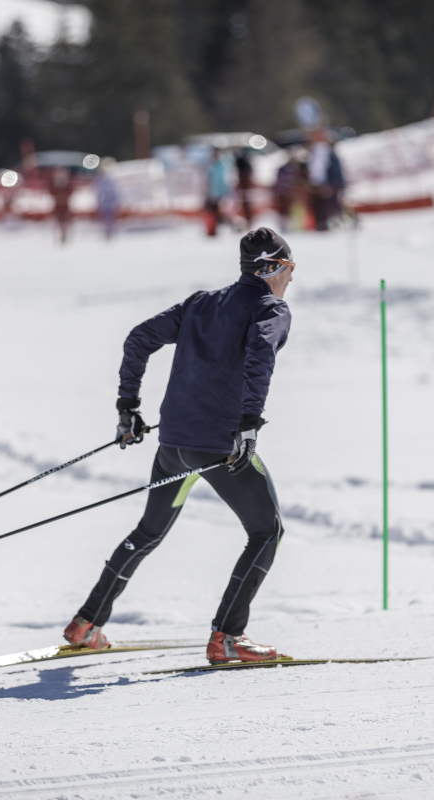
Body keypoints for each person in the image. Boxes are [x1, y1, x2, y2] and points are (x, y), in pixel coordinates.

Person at [64, 228, 295, 664]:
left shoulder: (200, 304)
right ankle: (227, 637)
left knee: (148, 531)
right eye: (290, 268)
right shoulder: (271, 308)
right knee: (268, 531)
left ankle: (86, 624)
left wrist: (127, 406)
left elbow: (139, 338)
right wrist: (248, 425)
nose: (291, 279)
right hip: (221, 447)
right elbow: (260, 354)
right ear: (275, 268)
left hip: (174, 443)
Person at [203, 147, 231, 236]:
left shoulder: (222, 164)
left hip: (219, 192)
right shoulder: (209, 164)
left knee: (219, 211)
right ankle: (211, 229)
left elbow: (224, 179)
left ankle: (216, 228)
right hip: (211, 192)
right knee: (211, 211)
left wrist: (224, 191)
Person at [94, 159, 121, 240]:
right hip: (105, 202)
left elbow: (116, 191)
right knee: (106, 218)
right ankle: (107, 233)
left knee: (111, 218)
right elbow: (98, 192)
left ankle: (111, 232)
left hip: (110, 202)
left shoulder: (111, 179)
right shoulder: (100, 180)